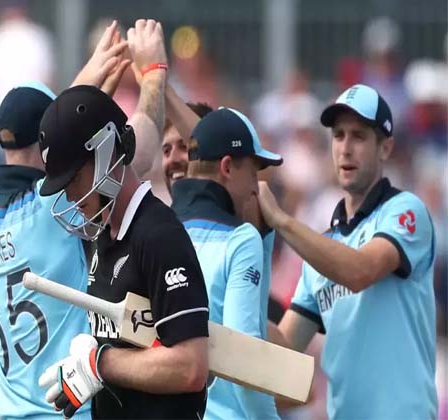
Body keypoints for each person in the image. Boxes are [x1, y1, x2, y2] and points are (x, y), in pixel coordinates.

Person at [0, 19, 170, 419]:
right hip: (66, 412)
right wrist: (153, 75)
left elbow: (59, 143)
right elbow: (141, 151)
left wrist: (92, 83)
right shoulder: (51, 207)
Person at [36, 23, 209, 419]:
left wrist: (100, 363)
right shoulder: (106, 234)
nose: (70, 197)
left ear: (105, 154)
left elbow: (191, 366)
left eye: (74, 179)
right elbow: (138, 144)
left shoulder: (158, 235)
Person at [258, 84, 437, 419]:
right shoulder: (323, 250)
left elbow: (359, 271)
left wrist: (280, 219)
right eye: (338, 135)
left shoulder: (405, 210)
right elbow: (285, 348)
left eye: (358, 136)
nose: (345, 148)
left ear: (385, 148)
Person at [170, 107, 282, 419]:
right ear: (227, 167)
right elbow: (241, 357)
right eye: (253, 173)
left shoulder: (157, 227)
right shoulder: (241, 239)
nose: (256, 188)